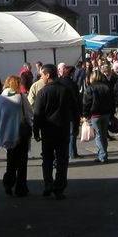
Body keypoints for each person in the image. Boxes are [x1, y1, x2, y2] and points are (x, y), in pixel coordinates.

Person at [33, 64, 79, 200]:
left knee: (47, 158)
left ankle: (48, 184)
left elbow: (37, 114)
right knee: (62, 160)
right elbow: (75, 110)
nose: (41, 77)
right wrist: (75, 127)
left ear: (48, 75)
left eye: (42, 75)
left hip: (47, 131)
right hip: (63, 130)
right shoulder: (65, 90)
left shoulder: (43, 92)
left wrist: (36, 131)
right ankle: (59, 187)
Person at [0, 76, 32, 196]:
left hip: (7, 133)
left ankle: (8, 183)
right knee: (22, 161)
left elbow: (0, 116)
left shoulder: (0, 98)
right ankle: (21, 188)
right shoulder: (21, 97)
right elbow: (28, 113)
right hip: (21, 132)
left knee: (10, 160)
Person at [82, 69, 114, 163]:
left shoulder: (90, 88)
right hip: (106, 114)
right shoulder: (107, 87)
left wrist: (85, 114)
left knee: (99, 135)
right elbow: (112, 101)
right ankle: (102, 154)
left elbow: (86, 103)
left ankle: (102, 155)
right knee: (103, 135)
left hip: (95, 115)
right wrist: (111, 114)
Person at [58, 63, 82, 159]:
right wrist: (81, 112)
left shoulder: (59, 82)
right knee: (72, 133)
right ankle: (72, 152)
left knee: (63, 134)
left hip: (61, 112)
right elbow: (77, 99)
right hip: (72, 112)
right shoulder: (73, 84)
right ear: (71, 74)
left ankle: (65, 152)